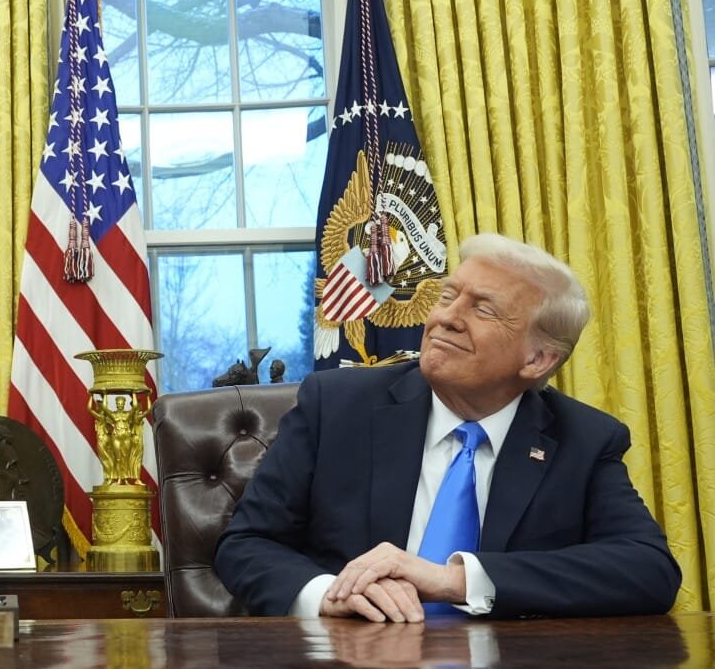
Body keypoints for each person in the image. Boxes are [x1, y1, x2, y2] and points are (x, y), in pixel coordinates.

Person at [214, 233, 680, 622]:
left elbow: (650, 569)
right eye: (447, 296)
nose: (445, 318)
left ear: (538, 359)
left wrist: (455, 580)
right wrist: (330, 595)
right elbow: (247, 543)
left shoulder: (583, 440)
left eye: (483, 309)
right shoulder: (336, 407)